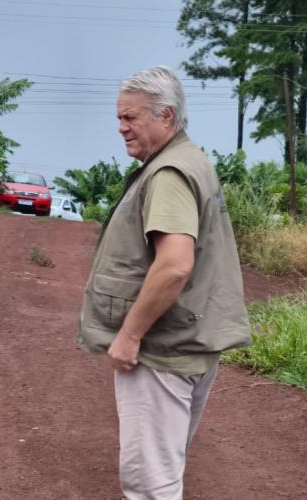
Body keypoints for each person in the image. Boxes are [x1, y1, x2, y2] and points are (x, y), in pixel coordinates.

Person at [77, 66, 251, 499]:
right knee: (164, 471)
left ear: (166, 116)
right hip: (189, 341)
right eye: (120, 118)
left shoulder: (169, 173)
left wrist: (129, 335)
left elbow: (174, 265)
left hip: (162, 352)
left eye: (131, 118)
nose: (121, 127)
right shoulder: (192, 159)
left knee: (151, 486)